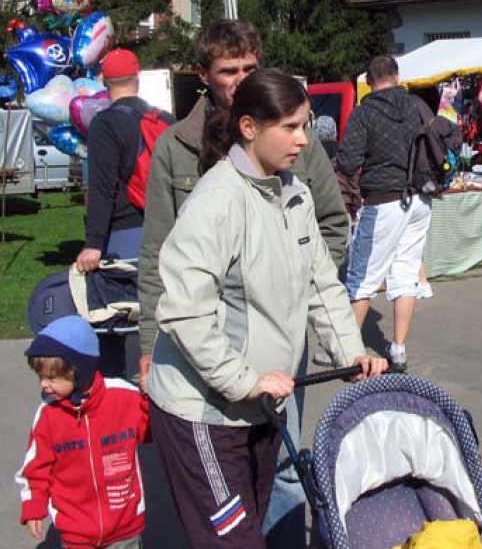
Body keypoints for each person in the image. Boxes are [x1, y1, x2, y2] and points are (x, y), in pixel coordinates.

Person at [145, 69, 386, 549]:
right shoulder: (217, 199)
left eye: (305, 125)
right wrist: (244, 381)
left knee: (250, 532)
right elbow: (184, 313)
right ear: (249, 128)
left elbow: (322, 285)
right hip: (205, 412)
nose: (304, 139)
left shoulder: (295, 194)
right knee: (233, 542)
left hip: (260, 405)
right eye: (289, 127)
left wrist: (351, 354)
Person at [16, 315, 149, 548]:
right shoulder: (48, 414)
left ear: (78, 372)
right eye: (41, 377)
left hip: (124, 526)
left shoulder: (124, 397)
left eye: (52, 378)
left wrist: (151, 399)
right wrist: (33, 506)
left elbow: (151, 431)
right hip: (75, 530)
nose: (43, 385)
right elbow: (36, 467)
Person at [336, 55, 433, 371]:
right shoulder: (416, 107)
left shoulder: (364, 113)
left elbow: (348, 162)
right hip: (420, 198)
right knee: (406, 275)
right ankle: (399, 349)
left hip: (383, 201)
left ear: (368, 81)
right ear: (397, 76)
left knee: (362, 277)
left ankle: (347, 351)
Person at [76, 48, 174, 272]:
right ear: (137, 77)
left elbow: (102, 186)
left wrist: (93, 243)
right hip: (168, 229)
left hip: (126, 231)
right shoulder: (164, 119)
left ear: (103, 80)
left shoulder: (104, 124)